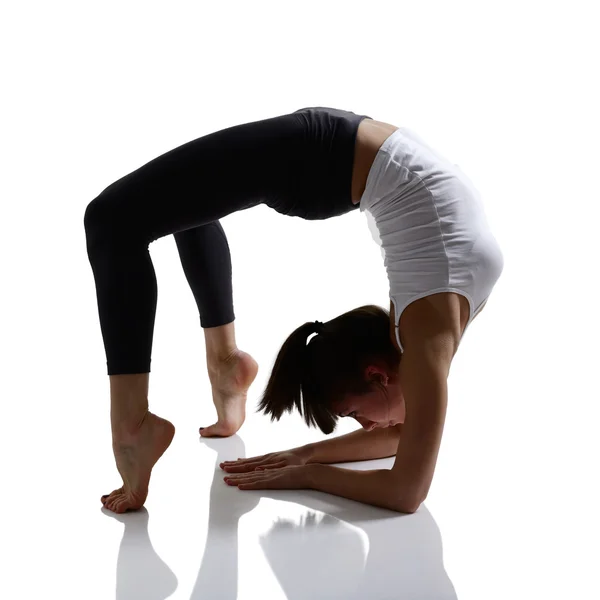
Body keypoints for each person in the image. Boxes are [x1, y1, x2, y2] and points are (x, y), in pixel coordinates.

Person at [85, 107, 503, 514]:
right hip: (319, 155)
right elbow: (405, 491)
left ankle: (226, 364)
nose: (366, 426)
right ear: (377, 374)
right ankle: (133, 427)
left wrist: (304, 459)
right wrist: (307, 471)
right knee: (110, 221)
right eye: (354, 414)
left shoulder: (428, 328)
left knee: (179, 202)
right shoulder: (426, 343)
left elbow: (399, 439)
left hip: (339, 152)